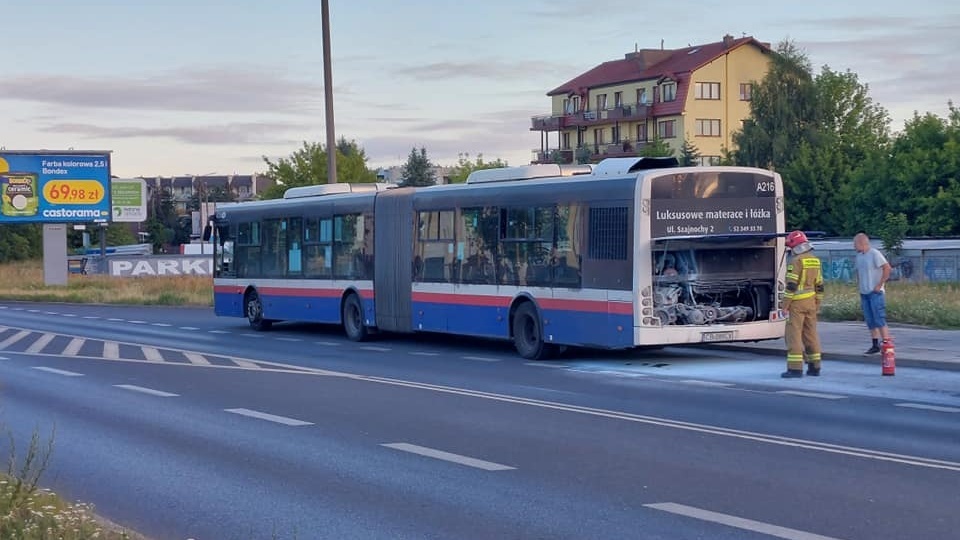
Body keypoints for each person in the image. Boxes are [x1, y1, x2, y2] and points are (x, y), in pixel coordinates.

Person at [781, 230, 824, 378]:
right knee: (811, 335)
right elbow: (820, 285)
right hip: (811, 303)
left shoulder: (796, 262)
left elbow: (791, 286)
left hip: (797, 305)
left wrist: (784, 306)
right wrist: (817, 303)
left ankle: (795, 369)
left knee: (794, 336)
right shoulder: (815, 260)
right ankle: (815, 367)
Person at [854, 232, 892, 354]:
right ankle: (875, 344)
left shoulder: (874, 254)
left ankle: (886, 343)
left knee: (879, 318)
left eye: (855, 244)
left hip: (875, 292)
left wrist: (879, 284)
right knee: (870, 320)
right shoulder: (859, 256)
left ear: (861, 243)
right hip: (864, 292)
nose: (854, 247)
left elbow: (887, 268)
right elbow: (858, 272)